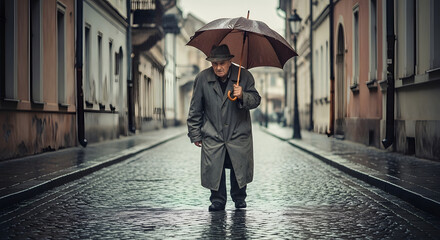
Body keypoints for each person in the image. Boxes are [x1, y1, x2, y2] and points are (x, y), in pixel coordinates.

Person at [187, 45, 261, 211]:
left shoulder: (245, 76)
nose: (218, 67)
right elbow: (195, 109)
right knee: (215, 166)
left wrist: (243, 95)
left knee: (238, 166)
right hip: (213, 132)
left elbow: (256, 100)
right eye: (214, 64)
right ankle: (217, 200)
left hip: (238, 133)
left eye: (222, 63)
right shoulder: (202, 78)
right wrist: (195, 133)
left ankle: (239, 198)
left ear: (230, 61)